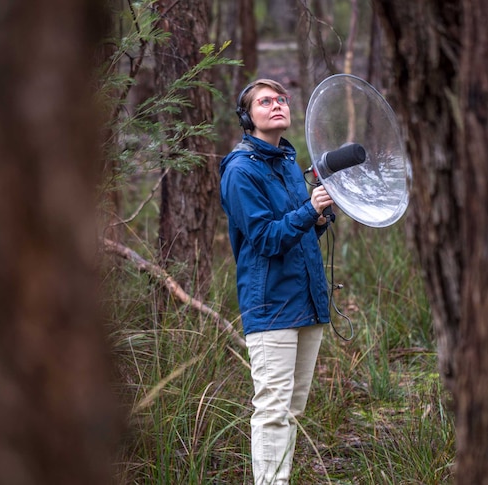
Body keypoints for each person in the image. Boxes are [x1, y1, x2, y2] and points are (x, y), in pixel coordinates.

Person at [218, 78, 335, 484]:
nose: (277, 105)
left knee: (291, 410)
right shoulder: (239, 170)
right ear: (247, 117)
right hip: (270, 306)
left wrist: (317, 218)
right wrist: (309, 210)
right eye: (264, 101)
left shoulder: (286, 161)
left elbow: (296, 235)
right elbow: (266, 239)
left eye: (282, 100)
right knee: (271, 409)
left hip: (306, 300)